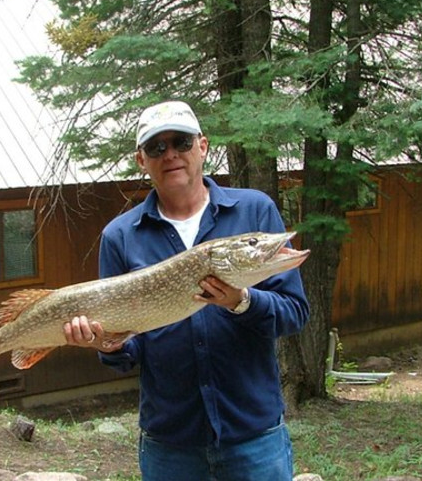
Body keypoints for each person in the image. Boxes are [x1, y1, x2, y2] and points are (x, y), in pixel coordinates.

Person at [63, 100, 309, 481]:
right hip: (171, 446)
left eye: (180, 141)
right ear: (141, 160)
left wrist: (241, 301)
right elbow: (129, 350)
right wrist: (105, 343)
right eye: (156, 148)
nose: (171, 154)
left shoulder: (255, 212)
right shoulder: (120, 236)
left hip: (254, 437)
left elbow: (294, 313)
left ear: (203, 146)